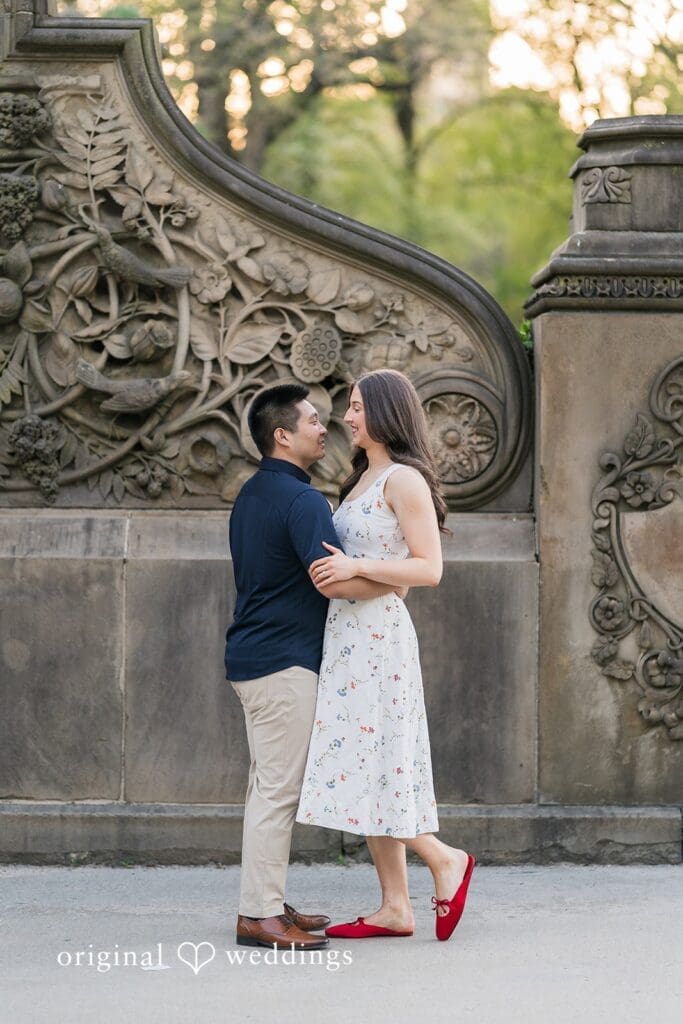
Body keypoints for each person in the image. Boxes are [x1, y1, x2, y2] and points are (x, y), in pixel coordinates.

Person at [296, 369, 475, 942]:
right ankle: (395, 906)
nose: (347, 418)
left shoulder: (404, 481)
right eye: (348, 407)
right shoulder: (358, 482)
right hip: (348, 635)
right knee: (366, 763)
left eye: (356, 407)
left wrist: (355, 567)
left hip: (378, 642)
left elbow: (428, 569)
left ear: (385, 412)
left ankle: (445, 859)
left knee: (379, 762)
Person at [225, 382, 401, 950]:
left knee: (266, 786)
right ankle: (258, 916)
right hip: (283, 662)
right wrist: (395, 578)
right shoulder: (302, 502)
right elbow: (335, 580)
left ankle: (268, 904)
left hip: (256, 659)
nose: (323, 428)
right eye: (311, 421)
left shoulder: (252, 494)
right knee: (277, 790)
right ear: (282, 435)